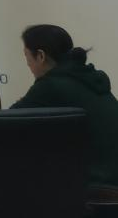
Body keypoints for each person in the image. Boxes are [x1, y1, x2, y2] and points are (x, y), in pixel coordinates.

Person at [14, 24, 118, 186]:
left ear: (40, 56)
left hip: (98, 189)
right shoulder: (90, 78)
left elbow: (4, 125)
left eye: (26, 56)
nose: (28, 64)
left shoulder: (50, 85)